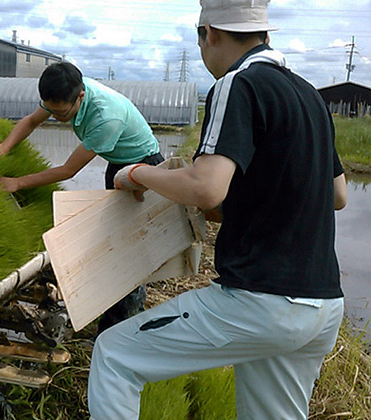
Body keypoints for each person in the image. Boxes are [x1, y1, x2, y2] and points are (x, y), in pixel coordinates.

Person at [88, 0, 348, 419]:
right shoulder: (308, 94)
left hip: (261, 301)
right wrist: (244, 207)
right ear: (265, 33)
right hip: (322, 305)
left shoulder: (237, 84)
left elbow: (204, 187)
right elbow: (336, 195)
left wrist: (136, 174)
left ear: (208, 33)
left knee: (115, 354)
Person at [0, 62, 163, 334]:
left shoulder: (106, 118)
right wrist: (1, 150)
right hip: (118, 164)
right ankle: (106, 313)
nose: (58, 117)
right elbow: (30, 121)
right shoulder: (61, 96)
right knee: (112, 239)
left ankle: (121, 329)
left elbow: (69, 170)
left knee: (130, 247)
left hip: (144, 168)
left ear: (80, 97)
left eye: (62, 113)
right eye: (51, 109)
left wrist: (17, 182)